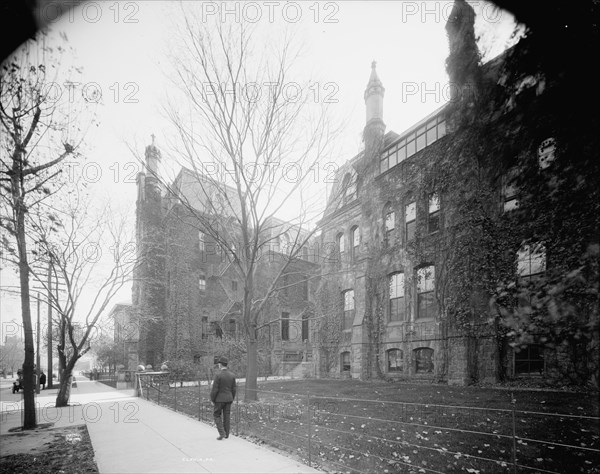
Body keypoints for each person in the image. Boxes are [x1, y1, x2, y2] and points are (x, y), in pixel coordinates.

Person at [210, 356, 236, 440]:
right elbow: (234, 389)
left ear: (220, 365)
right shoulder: (232, 375)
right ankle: (226, 434)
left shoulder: (218, 375)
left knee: (216, 415)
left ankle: (222, 433)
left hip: (219, 399)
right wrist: (232, 398)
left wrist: (212, 399)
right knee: (227, 416)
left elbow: (215, 390)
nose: (218, 365)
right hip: (229, 399)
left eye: (218, 364)